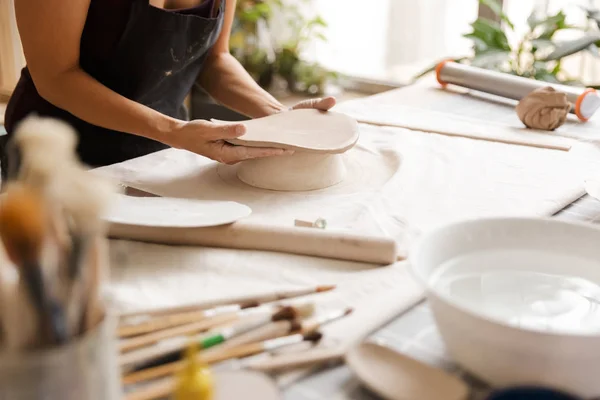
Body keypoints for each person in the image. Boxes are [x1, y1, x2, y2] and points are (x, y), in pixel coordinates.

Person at [1, 0, 335, 181]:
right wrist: (174, 130)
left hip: (159, 160)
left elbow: (214, 60)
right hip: (54, 160)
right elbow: (56, 75)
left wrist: (280, 117)